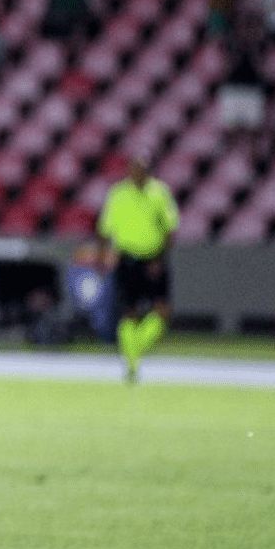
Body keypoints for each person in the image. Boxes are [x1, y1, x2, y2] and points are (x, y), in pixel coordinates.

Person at [97, 157, 179, 384]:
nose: (138, 173)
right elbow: (105, 229)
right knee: (128, 312)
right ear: (129, 171)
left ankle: (134, 352)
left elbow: (169, 229)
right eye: (135, 169)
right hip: (127, 259)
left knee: (162, 311)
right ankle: (132, 362)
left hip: (153, 258)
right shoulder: (118, 194)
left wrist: (160, 258)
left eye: (142, 169)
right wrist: (103, 258)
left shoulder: (159, 193)